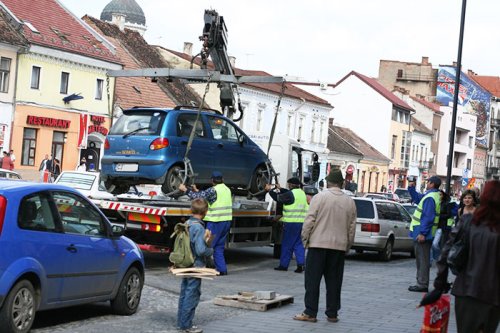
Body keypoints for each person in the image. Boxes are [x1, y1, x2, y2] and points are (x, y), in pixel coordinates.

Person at [424, 180, 500, 333]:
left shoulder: (468, 221)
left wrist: (440, 284)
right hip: (493, 295)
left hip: (465, 290)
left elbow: (445, 252)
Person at [294, 169, 356, 323]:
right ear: (341, 183)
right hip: (338, 247)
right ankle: (332, 313)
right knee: (334, 281)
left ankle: (310, 312)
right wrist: (347, 245)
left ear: (328, 182)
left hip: (318, 245)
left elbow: (309, 220)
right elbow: (352, 227)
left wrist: (305, 240)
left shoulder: (319, 197)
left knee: (312, 281)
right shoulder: (349, 201)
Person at [178, 171, 232, 276]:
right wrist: (197, 191)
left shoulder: (213, 190)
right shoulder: (226, 189)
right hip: (226, 221)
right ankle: (222, 270)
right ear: (222, 179)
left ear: (212, 180)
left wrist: (185, 190)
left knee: (208, 245)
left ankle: (200, 267)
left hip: (215, 222)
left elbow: (197, 197)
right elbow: (210, 197)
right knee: (219, 246)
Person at [177, 198, 214, 333]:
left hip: (185, 262)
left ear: (192, 210)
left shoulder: (187, 223)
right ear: (205, 211)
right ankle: (186, 325)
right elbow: (201, 250)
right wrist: (211, 250)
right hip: (195, 264)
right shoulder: (198, 227)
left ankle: (180, 322)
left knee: (184, 292)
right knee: (192, 294)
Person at [264, 177, 308, 273]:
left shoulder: (291, 194)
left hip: (291, 223)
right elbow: (287, 193)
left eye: (289, 184)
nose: (288, 186)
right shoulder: (301, 193)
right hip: (301, 222)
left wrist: (270, 190)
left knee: (287, 244)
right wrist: (279, 188)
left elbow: (278, 198)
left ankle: (283, 265)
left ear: (291, 185)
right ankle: (301, 265)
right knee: (298, 244)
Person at [407, 175, 441, 292]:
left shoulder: (430, 197)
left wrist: (423, 233)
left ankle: (422, 284)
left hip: (422, 234)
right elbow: (417, 199)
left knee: (423, 260)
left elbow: (428, 217)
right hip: (422, 232)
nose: (427, 184)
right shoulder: (431, 195)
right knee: (421, 259)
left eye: (428, 182)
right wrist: (411, 188)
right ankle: (421, 282)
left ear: (432, 184)